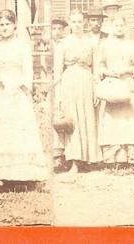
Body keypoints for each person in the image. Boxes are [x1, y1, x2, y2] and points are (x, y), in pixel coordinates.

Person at [0, 10, 49, 185]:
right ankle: (2, 175)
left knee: (18, 132)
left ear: (15, 25)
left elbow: (27, 72)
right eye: (1, 24)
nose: (4, 28)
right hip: (0, 94)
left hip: (17, 94)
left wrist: (17, 85)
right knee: (2, 133)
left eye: (7, 24)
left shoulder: (22, 47)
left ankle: (23, 175)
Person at [53, 11, 101, 176]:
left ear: (85, 23)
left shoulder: (91, 42)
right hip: (69, 82)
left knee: (86, 118)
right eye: (74, 22)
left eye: (80, 21)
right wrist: (58, 93)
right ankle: (74, 161)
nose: (77, 25)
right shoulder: (63, 43)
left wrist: (96, 89)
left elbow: (96, 68)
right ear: (70, 24)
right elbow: (58, 71)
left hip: (86, 81)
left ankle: (88, 159)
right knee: (72, 120)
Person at [97, 16, 134, 166]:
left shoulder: (132, 45)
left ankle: (131, 157)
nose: (119, 28)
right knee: (112, 121)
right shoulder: (105, 45)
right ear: (111, 27)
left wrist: (127, 70)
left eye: (121, 25)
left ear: (126, 27)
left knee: (129, 120)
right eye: (116, 25)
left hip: (128, 83)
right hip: (111, 85)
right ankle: (113, 159)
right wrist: (108, 72)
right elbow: (100, 65)